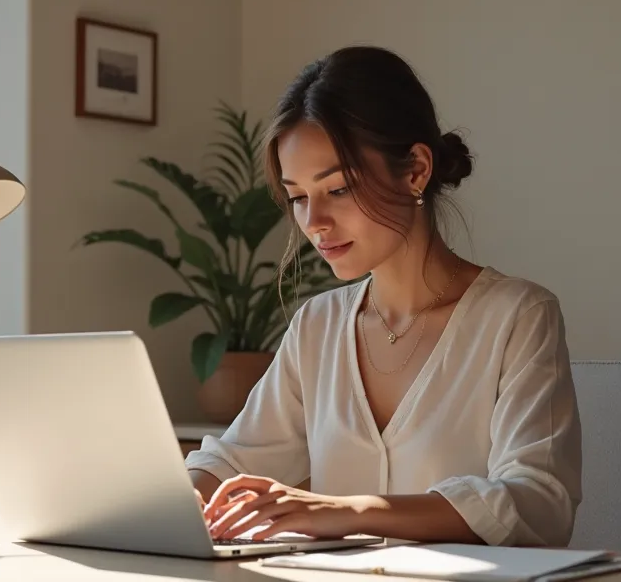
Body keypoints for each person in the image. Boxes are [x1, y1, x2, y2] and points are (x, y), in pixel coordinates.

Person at [184, 45, 582, 548]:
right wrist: (162, 509)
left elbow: (538, 504)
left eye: (340, 189)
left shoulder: (517, 316)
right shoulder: (318, 327)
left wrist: (348, 512)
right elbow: (231, 462)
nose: (314, 223)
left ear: (416, 169)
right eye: (299, 196)